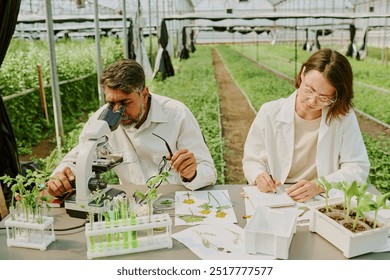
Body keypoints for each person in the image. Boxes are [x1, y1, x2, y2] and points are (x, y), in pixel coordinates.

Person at [46, 59, 217, 197]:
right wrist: (60, 177)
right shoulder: (102, 121)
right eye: (111, 103)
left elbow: (208, 171)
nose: (117, 112)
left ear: (144, 94)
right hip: (132, 206)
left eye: (125, 103)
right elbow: (78, 158)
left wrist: (192, 173)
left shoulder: (177, 115)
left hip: (175, 202)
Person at [242, 48, 370, 202]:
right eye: (309, 89)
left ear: (337, 96)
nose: (311, 101)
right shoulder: (270, 112)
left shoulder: (343, 118)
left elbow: (357, 167)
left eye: (324, 97)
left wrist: (321, 185)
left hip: (320, 198)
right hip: (277, 195)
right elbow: (251, 159)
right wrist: (258, 175)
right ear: (302, 74)